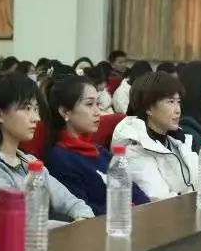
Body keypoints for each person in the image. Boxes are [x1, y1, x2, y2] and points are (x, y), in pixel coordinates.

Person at [0, 72, 94, 222]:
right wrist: (71, 228)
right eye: (27, 108)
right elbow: (18, 224)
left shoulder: (28, 161)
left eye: (36, 109)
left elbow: (71, 202)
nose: (36, 118)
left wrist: (83, 218)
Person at [39, 74, 149, 215]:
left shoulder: (99, 150)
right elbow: (83, 210)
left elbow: (133, 190)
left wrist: (147, 210)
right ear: (65, 111)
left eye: (98, 104)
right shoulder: (59, 158)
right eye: (89, 104)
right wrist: (127, 210)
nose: (98, 112)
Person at [111, 72, 198, 201]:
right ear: (149, 108)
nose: (178, 110)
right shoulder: (134, 149)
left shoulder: (176, 140)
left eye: (178, 102)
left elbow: (199, 182)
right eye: (171, 102)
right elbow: (161, 200)